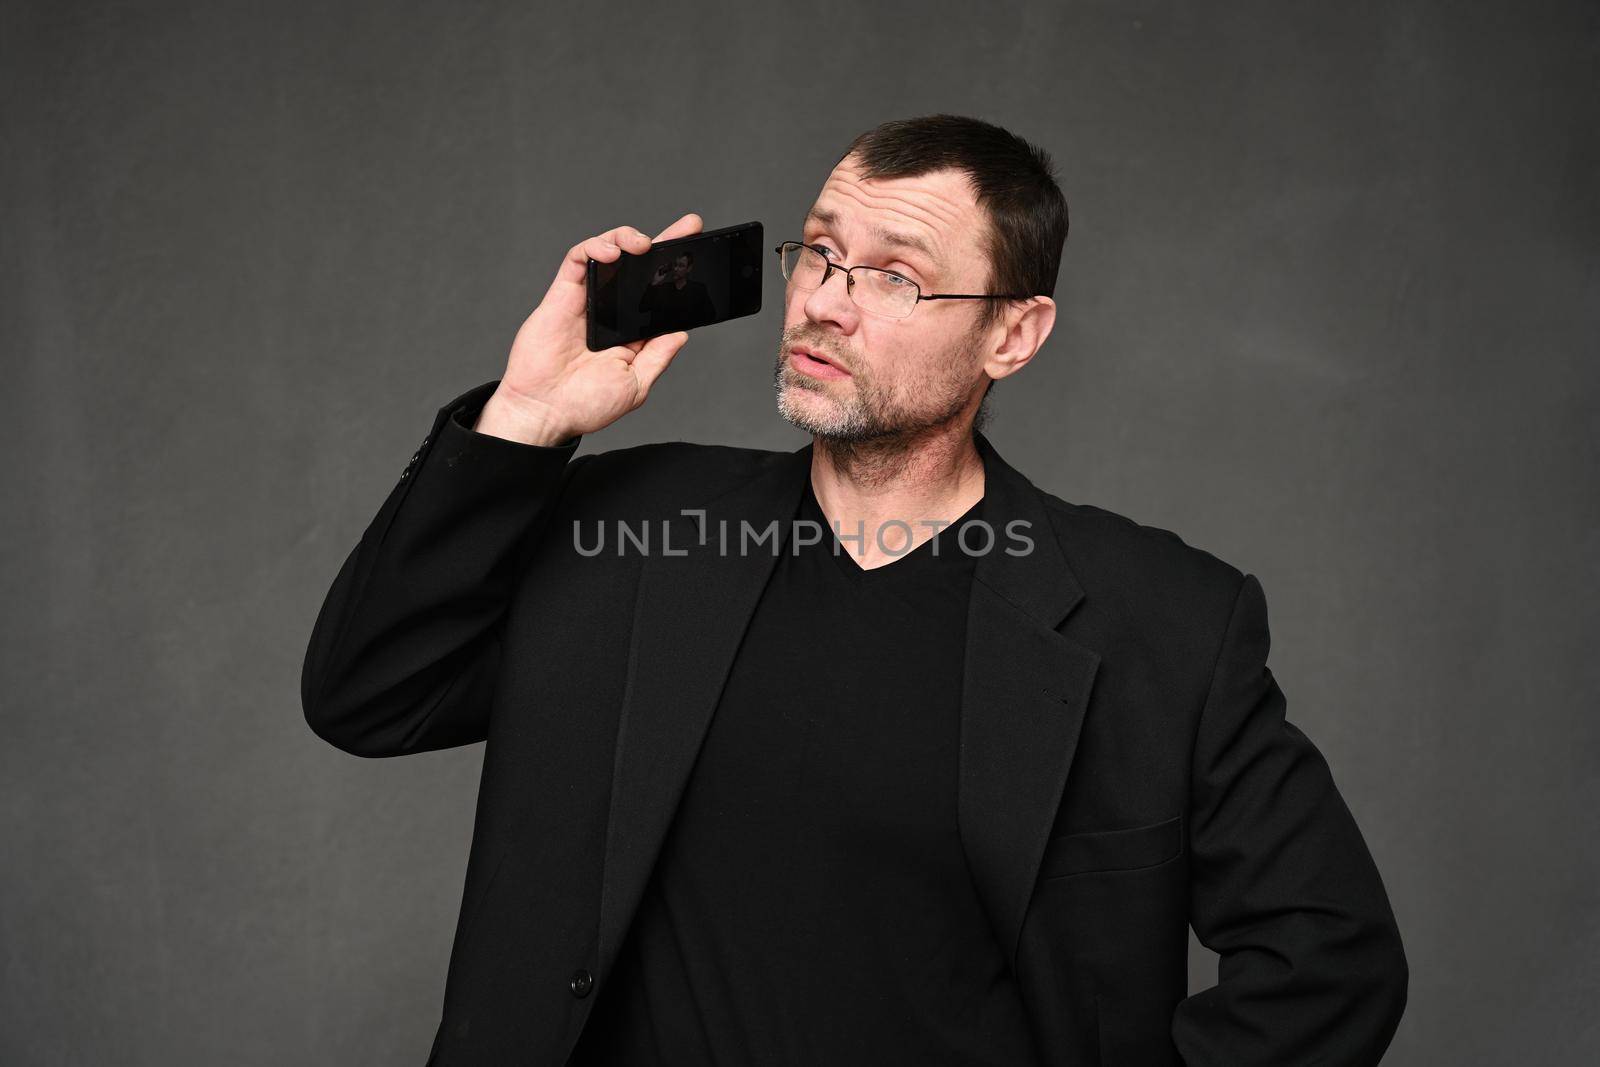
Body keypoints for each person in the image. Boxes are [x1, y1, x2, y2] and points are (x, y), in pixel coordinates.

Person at [301, 114, 1408, 1066]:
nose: (828, 301)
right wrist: (527, 421)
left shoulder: (1160, 619)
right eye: (820, 253)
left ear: (1011, 334)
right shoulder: (631, 526)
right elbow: (371, 692)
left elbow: (1331, 959)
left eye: (895, 274)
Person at [636, 249, 716, 333]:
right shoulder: (662, 288)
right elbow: (642, 308)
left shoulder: (698, 289)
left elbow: (710, 315)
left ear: (689, 268)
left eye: (681, 266)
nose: (676, 269)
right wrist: (655, 282)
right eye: (675, 265)